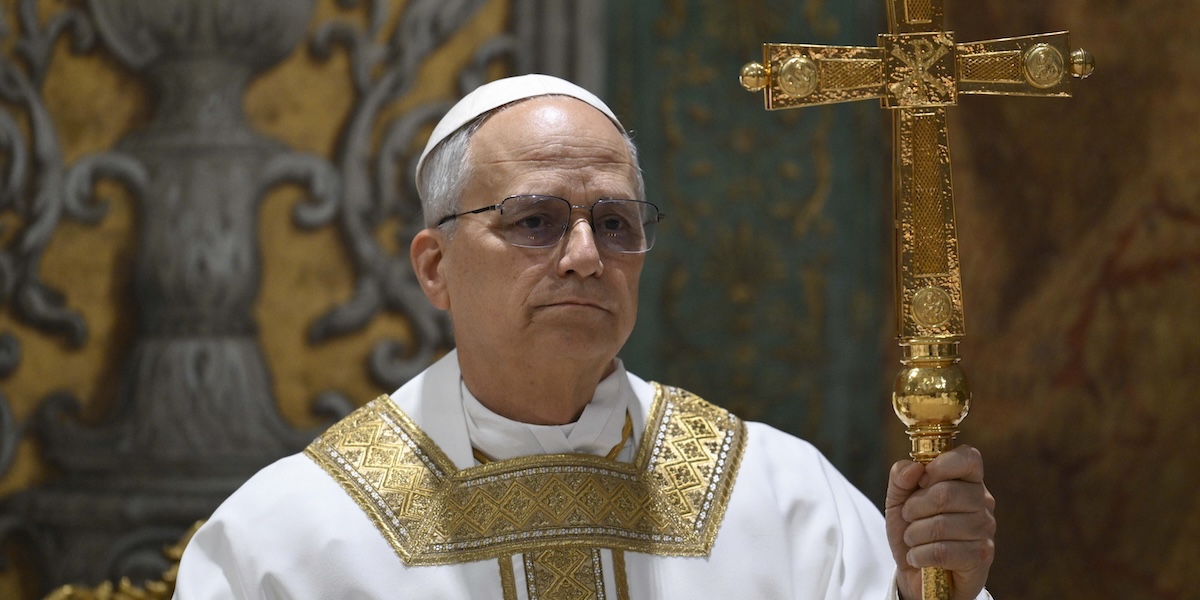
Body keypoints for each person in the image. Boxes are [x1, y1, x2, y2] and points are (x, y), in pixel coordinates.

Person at [173, 74, 995, 600]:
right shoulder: (295, 533)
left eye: (615, 223)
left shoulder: (780, 498)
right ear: (435, 266)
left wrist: (930, 593)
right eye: (534, 221)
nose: (584, 257)